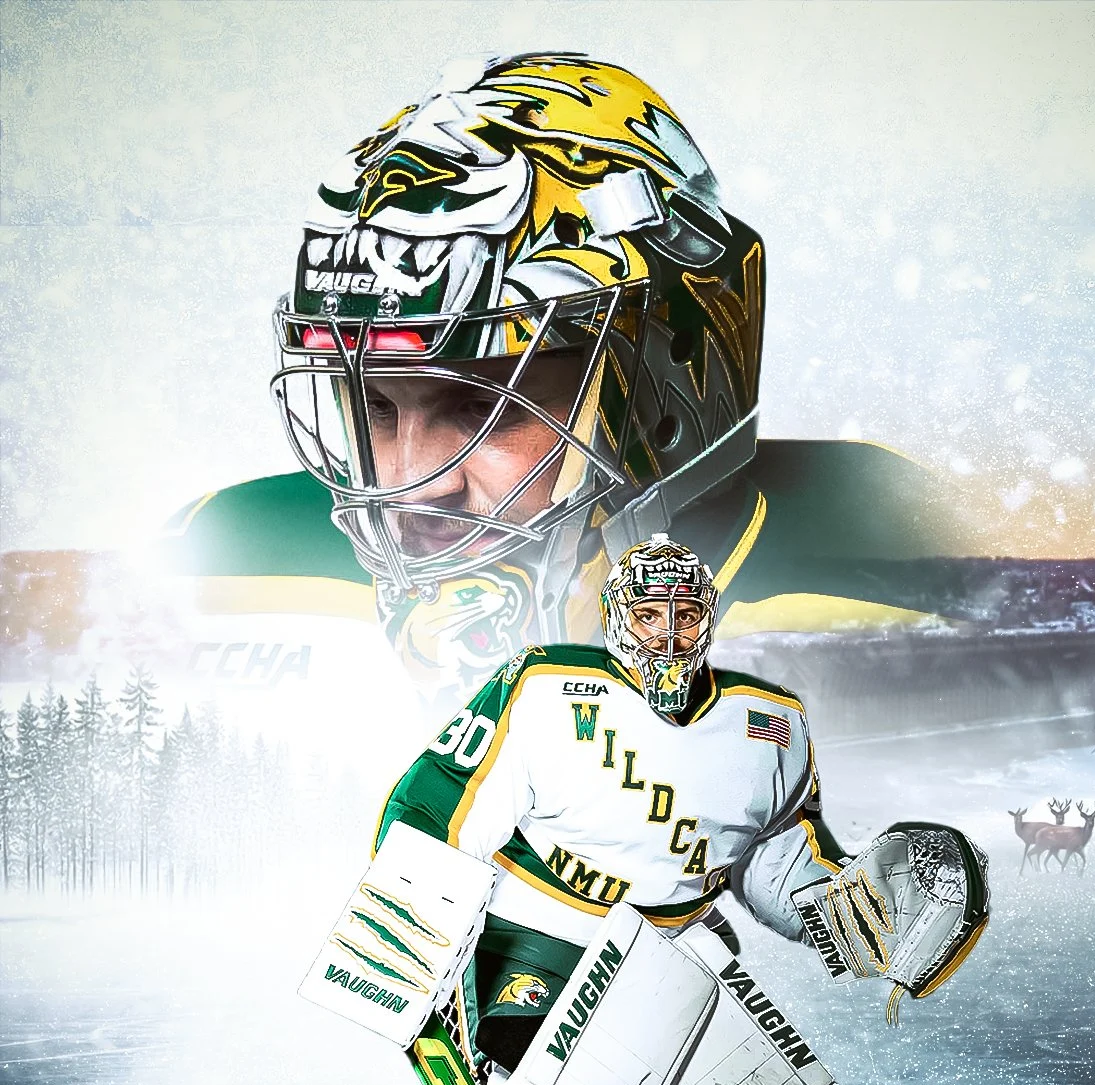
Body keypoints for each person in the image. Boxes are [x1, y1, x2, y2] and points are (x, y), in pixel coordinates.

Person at [0, 51, 955, 715]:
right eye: (375, 404)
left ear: (664, 386)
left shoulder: (884, 559)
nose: (412, 483)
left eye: (476, 404)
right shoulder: (232, 554)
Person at [336, 534, 989, 1085]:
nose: (669, 636)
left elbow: (775, 861)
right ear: (616, 617)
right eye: (649, 614)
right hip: (541, 936)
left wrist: (850, 909)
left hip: (684, 942)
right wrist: (405, 942)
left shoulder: (773, 724)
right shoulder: (542, 688)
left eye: (686, 618)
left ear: (708, 621)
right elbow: (432, 805)